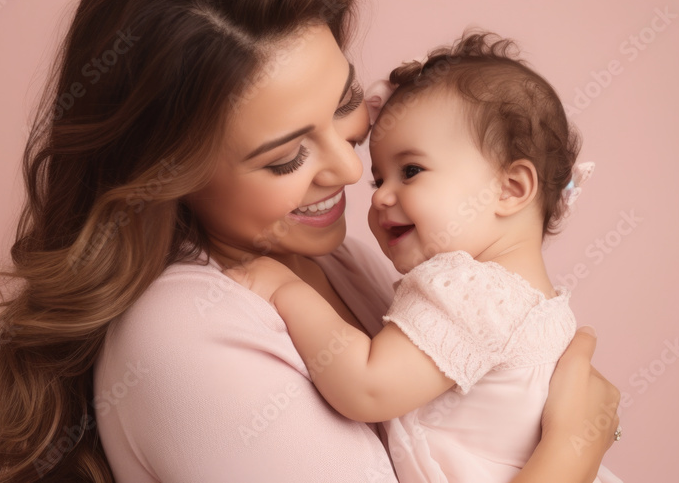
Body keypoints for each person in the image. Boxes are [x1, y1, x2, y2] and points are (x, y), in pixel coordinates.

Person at [0, 0, 621, 482]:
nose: (348, 168)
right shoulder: (181, 330)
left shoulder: (335, 257)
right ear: (165, 176)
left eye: (344, 102)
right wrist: (573, 447)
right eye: (286, 157)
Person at [223, 31, 622, 483]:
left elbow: (368, 387)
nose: (379, 197)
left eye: (411, 171)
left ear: (511, 188)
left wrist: (283, 287)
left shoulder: (474, 290)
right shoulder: (523, 295)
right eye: (379, 179)